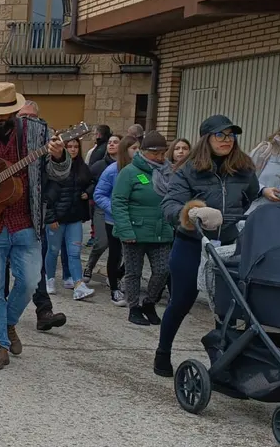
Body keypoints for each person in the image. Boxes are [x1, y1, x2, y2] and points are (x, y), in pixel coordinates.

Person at [0, 83, 68, 371]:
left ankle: (8, 322)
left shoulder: (37, 133)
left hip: (25, 221)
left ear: (14, 111)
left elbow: (59, 174)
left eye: (5, 113)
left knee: (30, 281)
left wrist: (59, 156)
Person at [155, 114, 259, 377]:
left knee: (227, 308)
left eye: (231, 135)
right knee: (181, 301)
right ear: (206, 139)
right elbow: (170, 205)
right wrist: (192, 213)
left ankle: (223, 365)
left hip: (227, 247)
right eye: (220, 135)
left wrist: (232, 221)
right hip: (191, 244)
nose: (227, 140)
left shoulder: (244, 169)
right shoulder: (188, 170)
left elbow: (249, 198)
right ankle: (163, 353)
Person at [14, 99, 68, 332]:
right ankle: (1, 314)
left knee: (35, 266)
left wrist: (47, 198)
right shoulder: (9, 137)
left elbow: (58, 177)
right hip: (3, 211)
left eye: (31, 117)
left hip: (33, 214)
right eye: (22, 116)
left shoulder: (48, 140)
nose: (27, 121)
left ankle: (44, 311)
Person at [112, 131, 173, 326]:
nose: (160, 157)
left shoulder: (169, 172)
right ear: (143, 151)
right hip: (135, 232)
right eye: (155, 153)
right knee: (133, 273)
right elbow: (118, 202)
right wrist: (125, 230)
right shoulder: (129, 172)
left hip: (161, 230)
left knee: (163, 270)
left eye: (162, 153)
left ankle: (149, 303)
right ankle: (134, 308)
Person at [43, 132, 95, 301]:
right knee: (53, 250)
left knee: (74, 252)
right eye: (70, 146)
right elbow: (47, 194)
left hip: (74, 216)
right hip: (57, 218)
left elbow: (91, 183)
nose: (73, 149)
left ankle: (79, 285)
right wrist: (51, 217)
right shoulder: (53, 167)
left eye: (76, 146)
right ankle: (49, 279)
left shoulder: (82, 167)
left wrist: (87, 193)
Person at [94, 134, 139, 306]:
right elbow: (99, 194)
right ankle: (114, 289)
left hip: (136, 221)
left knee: (135, 254)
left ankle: (120, 275)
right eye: (134, 148)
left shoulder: (142, 170)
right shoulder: (112, 170)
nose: (138, 151)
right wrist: (116, 210)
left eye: (139, 148)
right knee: (115, 254)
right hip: (114, 220)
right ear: (125, 150)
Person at [84, 132, 120, 281]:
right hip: (102, 209)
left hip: (121, 211)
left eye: (115, 142)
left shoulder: (128, 166)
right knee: (101, 242)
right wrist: (88, 192)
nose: (111, 144)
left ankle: (114, 276)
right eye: (110, 142)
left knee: (118, 247)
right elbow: (88, 182)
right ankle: (89, 266)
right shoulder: (99, 165)